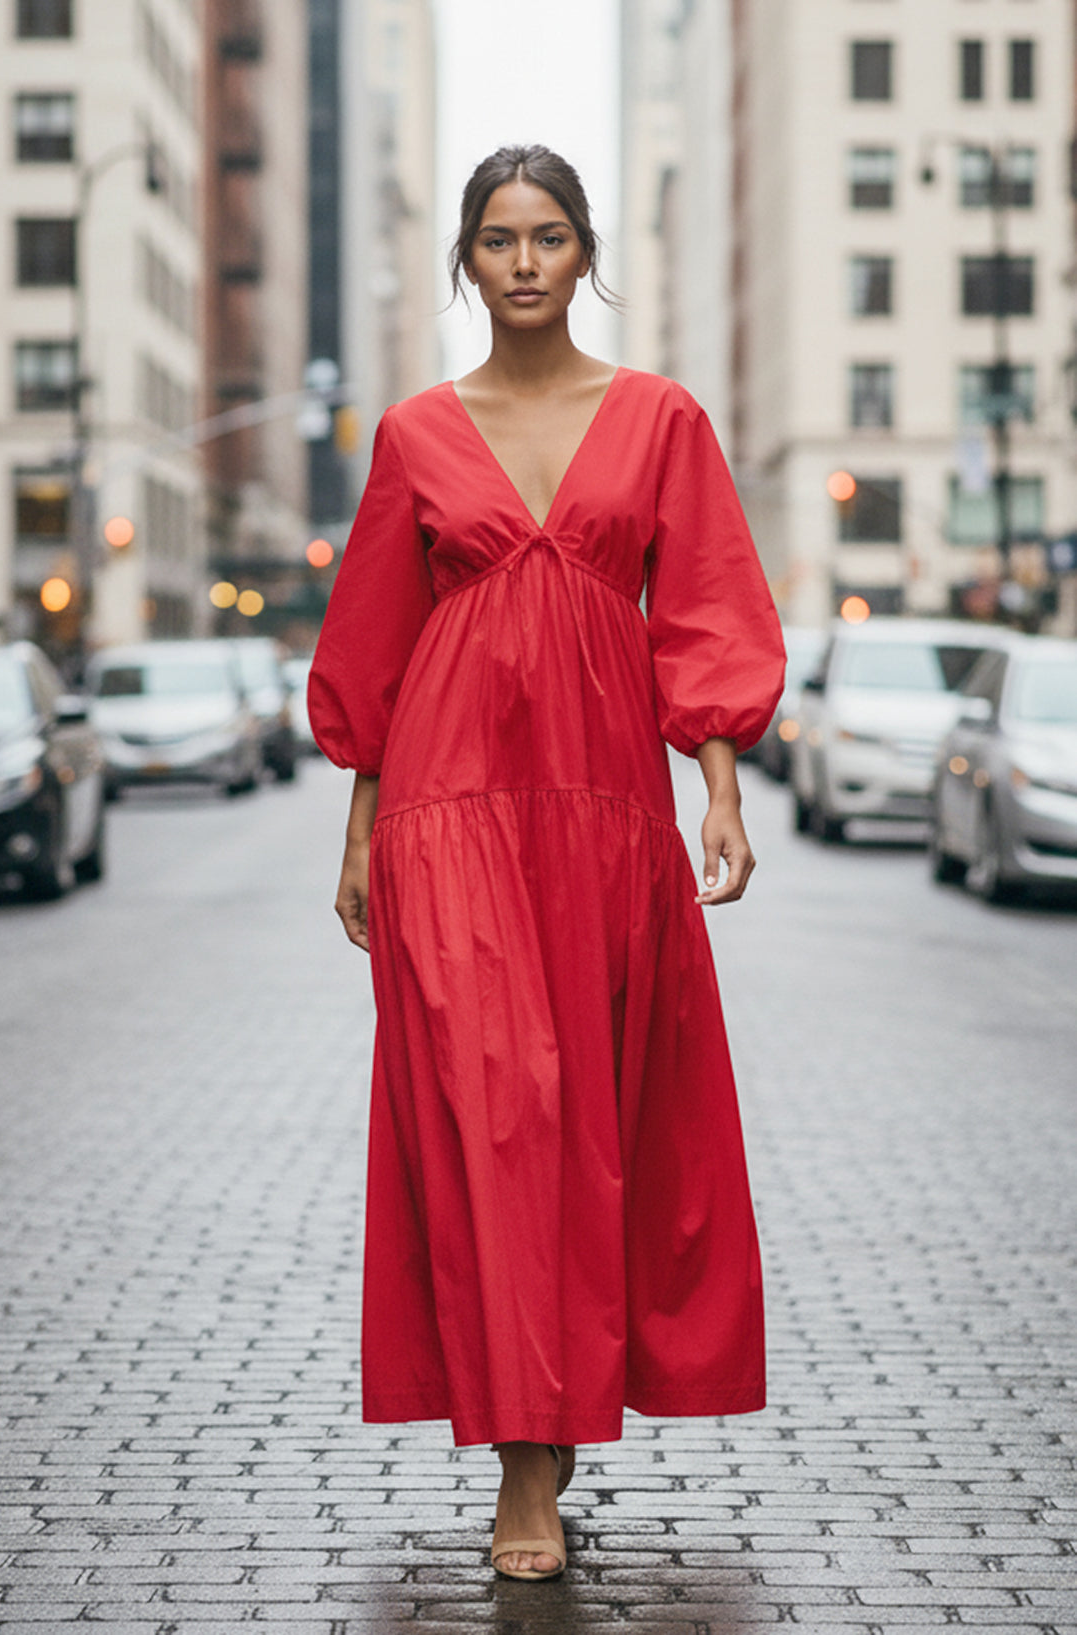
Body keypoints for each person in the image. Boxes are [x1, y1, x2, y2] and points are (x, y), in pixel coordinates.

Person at [308, 144, 785, 1582]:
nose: (525, 262)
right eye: (500, 239)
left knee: (595, 1122)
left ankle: (558, 1396)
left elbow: (705, 607)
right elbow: (376, 641)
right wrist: (361, 832)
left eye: (551, 236)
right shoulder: (411, 434)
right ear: (465, 261)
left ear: (586, 256)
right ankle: (526, 1462)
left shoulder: (660, 420)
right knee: (497, 1114)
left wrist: (719, 791)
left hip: (605, 815)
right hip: (447, 814)